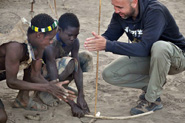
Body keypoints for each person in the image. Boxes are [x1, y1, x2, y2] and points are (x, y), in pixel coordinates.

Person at [84, 0, 185, 115]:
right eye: (114, 6)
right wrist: (100, 40)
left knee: (160, 46)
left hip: (177, 58)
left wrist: (108, 45)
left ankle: (152, 100)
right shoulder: (120, 15)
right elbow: (110, 36)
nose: (116, 11)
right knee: (110, 74)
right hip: (151, 58)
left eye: (120, 7)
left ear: (134, 2)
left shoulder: (155, 11)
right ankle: (152, 85)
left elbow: (144, 48)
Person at [0, 13, 75, 123]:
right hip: (7, 74)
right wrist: (47, 88)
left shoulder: (37, 44)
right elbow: (11, 82)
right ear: (39, 35)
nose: (51, 43)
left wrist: (54, 88)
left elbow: (35, 75)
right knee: (2, 118)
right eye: (50, 39)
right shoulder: (15, 47)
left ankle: (23, 99)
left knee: (31, 61)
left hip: (3, 70)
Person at [40, 13, 92, 117]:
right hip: (44, 75)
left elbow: (77, 69)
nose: (73, 38)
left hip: (57, 68)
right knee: (71, 63)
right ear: (59, 30)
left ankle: (64, 87)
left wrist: (81, 96)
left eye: (76, 35)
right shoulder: (51, 45)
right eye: (70, 35)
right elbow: (54, 77)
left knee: (85, 58)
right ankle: (46, 92)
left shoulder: (74, 42)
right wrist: (72, 104)